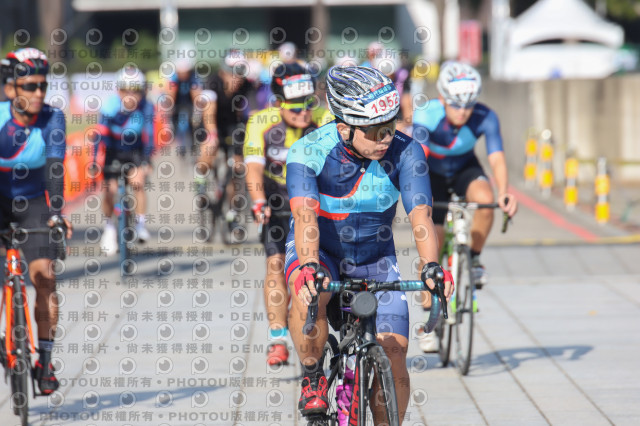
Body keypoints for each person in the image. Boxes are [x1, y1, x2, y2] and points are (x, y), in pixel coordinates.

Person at [285, 66, 453, 422]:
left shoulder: (407, 152)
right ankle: (313, 375)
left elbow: (421, 216)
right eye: (375, 131)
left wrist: (432, 266)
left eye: (390, 125)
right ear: (344, 128)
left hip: (375, 258)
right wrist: (309, 265)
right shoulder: (308, 151)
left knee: (395, 352)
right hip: (322, 250)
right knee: (309, 292)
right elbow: (304, 217)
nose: (386, 138)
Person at [412, 60, 518, 352]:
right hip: (431, 172)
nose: (463, 111)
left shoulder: (486, 116)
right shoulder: (427, 113)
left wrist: (504, 193)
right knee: (432, 240)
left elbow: (496, 157)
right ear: (443, 98)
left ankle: (473, 258)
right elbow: (417, 157)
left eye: (469, 105)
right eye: (456, 104)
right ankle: (429, 320)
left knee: (485, 200)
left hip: (464, 168)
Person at [244, 62, 332, 366]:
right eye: (295, 107)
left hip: (313, 202)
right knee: (275, 264)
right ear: (279, 102)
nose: (304, 112)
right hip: (277, 201)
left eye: (309, 103)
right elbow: (253, 168)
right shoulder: (260, 122)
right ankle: (278, 337)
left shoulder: (325, 119)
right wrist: (258, 201)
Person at [0, 47, 73, 394]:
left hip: (33, 201)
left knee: (45, 278)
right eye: (30, 86)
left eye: (43, 85)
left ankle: (44, 360)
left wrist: (57, 213)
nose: (39, 93)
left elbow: (55, 169)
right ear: (11, 88)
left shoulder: (52, 118)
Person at [96, 65, 155, 255]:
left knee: (138, 183)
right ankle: (109, 228)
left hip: (135, 151)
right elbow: (99, 136)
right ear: (118, 90)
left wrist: (147, 161)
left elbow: (149, 135)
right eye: (125, 90)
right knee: (109, 190)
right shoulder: (109, 106)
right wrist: (95, 161)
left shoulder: (147, 106)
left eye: (136, 91)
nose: (131, 96)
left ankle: (140, 224)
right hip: (113, 150)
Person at [197, 50, 256, 231]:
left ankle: (232, 212)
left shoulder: (247, 85)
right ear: (223, 72)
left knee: (238, 169)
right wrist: (213, 135)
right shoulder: (213, 82)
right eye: (233, 74)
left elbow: (253, 112)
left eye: (240, 74)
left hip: (233, 126)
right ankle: (201, 178)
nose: (237, 79)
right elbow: (209, 112)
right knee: (209, 146)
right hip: (212, 122)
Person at [166, 55, 205, 157]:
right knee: (175, 122)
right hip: (178, 103)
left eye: (185, 72)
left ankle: (194, 142)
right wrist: (169, 108)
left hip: (189, 103)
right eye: (180, 72)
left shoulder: (194, 77)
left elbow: (197, 95)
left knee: (195, 122)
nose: (183, 75)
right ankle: (179, 142)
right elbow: (170, 95)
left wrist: (197, 111)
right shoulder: (174, 77)